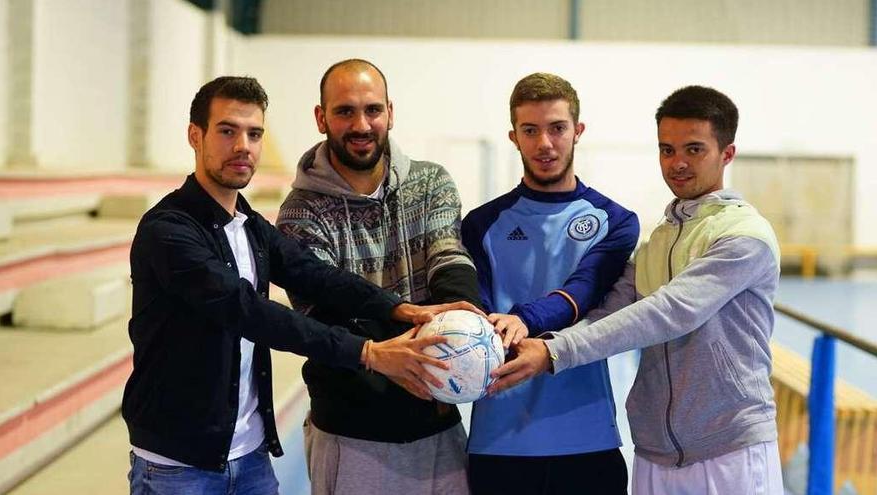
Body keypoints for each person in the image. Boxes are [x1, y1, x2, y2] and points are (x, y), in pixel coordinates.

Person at [123, 76, 477, 495]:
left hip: (250, 457)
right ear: (194, 136)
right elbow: (249, 312)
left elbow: (317, 275)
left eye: (254, 134)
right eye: (227, 131)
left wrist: (400, 309)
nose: (243, 146)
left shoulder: (250, 226)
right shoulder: (169, 231)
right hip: (179, 467)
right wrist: (368, 352)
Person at [490, 85, 784, 494]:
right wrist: (544, 343)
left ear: (727, 153)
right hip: (655, 451)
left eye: (694, 149)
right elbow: (607, 312)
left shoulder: (744, 236)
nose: (677, 163)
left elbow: (669, 311)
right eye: (667, 149)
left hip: (727, 446)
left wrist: (553, 353)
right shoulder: (657, 241)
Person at [275, 59, 482, 494]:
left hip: (437, 431)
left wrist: (461, 316)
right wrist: (428, 345)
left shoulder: (430, 183)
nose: (361, 124)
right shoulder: (300, 210)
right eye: (345, 111)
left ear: (390, 111)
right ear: (321, 117)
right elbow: (324, 311)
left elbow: (447, 253)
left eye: (372, 110)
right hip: (351, 435)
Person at [460, 73, 639, 494]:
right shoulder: (481, 224)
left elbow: (585, 289)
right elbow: (478, 309)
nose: (545, 143)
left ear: (577, 131)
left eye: (557, 128)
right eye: (530, 130)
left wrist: (523, 318)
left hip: (587, 436)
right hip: (499, 439)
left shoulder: (615, 221)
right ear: (514, 136)